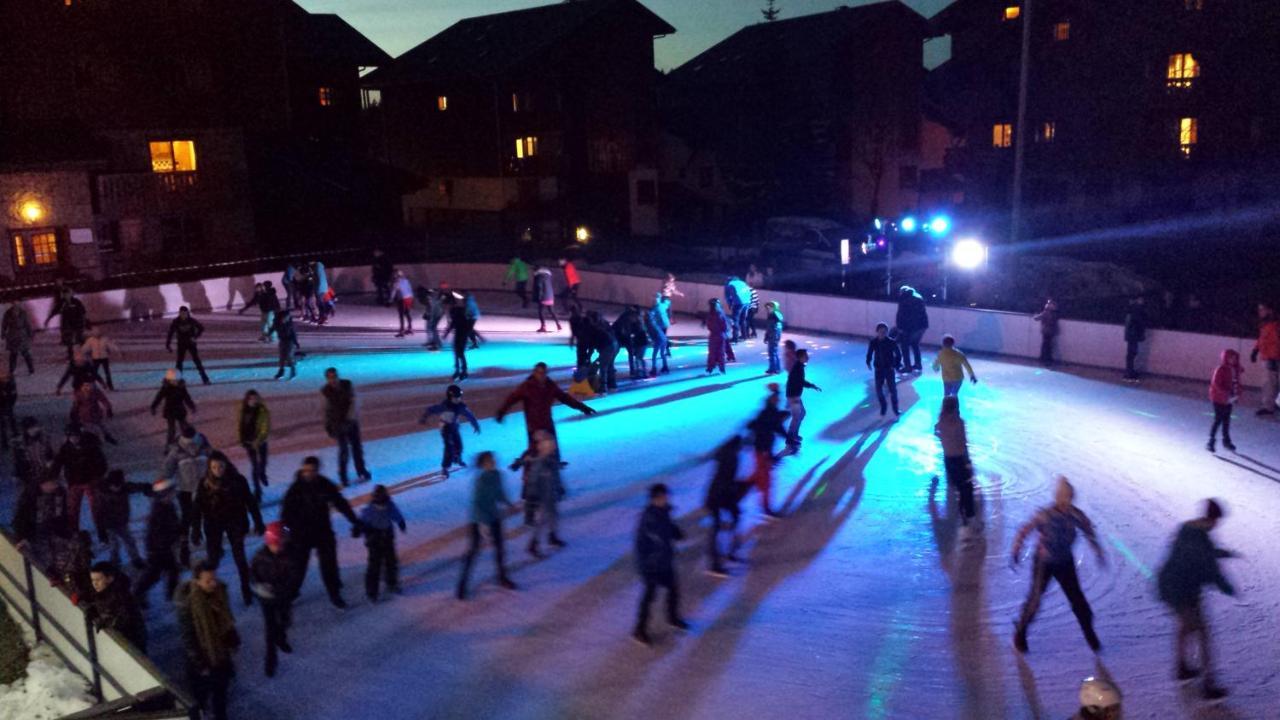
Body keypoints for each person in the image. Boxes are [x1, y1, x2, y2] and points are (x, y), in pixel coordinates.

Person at [1011, 476, 1105, 654]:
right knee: (1035, 599)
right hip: (1044, 563)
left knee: (1078, 600)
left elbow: (1088, 531)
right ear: (1058, 498)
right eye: (1064, 498)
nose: (1067, 503)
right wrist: (1016, 548)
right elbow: (1025, 529)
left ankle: (1088, 630)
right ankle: (1020, 631)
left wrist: (1097, 549)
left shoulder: (1076, 515)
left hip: (1065, 562)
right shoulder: (1045, 515)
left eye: (1069, 498)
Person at [1156, 498, 1237, 700]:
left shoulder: (1187, 528)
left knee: (1184, 626)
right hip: (1182, 590)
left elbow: (1200, 553)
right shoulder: (1201, 538)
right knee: (1203, 633)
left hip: (1171, 585)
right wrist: (1228, 588)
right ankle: (1208, 685)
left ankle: (1181, 668)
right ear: (1214, 519)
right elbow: (1211, 570)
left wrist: (1223, 553)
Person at [281, 456, 361, 608]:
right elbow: (286, 514)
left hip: (322, 531)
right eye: (306, 470)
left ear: (318, 471)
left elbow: (340, 503)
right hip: (301, 534)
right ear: (302, 470)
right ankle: (291, 592)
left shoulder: (325, 485)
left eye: (312, 471)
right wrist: (286, 533)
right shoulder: (295, 489)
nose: (309, 473)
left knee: (329, 565)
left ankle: (334, 593)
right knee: (298, 566)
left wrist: (354, 520)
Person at [191, 452, 265, 607]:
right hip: (213, 525)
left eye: (221, 466)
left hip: (235, 523)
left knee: (240, 559)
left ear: (226, 465)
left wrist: (258, 522)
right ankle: (210, 593)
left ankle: (246, 589)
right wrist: (196, 529)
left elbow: (250, 502)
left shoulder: (237, 481)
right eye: (214, 467)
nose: (218, 470)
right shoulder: (204, 484)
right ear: (209, 468)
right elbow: (197, 508)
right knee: (212, 559)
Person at [177, 561, 240, 720]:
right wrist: (199, 662)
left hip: (220, 655)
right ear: (197, 582)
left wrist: (232, 636)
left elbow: (226, 618)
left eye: (214, 579)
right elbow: (188, 636)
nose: (213, 583)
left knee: (221, 693)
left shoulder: (220, 592)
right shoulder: (188, 604)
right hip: (201, 658)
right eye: (208, 581)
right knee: (200, 696)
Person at [631, 483, 688, 647]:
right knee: (649, 597)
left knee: (673, 590)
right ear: (655, 499)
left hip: (664, 561)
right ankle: (639, 630)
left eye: (666, 496)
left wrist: (677, 533)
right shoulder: (649, 518)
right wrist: (648, 565)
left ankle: (672, 618)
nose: (666, 499)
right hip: (651, 565)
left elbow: (668, 528)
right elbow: (652, 539)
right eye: (663, 497)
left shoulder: (663, 511)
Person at [495, 362, 596, 452]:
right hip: (533, 425)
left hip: (547, 423)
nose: (541, 376)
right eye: (539, 373)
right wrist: (501, 412)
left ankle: (554, 466)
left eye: (543, 373)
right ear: (534, 373)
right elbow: (511, 399)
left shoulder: (550, 386)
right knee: (535, 450)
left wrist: (583, 407)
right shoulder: (527, 386)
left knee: (552, 448)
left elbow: (565, 398)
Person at [458, 452, 517, 599]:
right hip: (478, 520)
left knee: (500, 549)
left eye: (493, 460)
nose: (493, 462)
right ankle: (462, 585)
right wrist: (483, 524)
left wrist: (509, 504)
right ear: (483, 464)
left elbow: (499, 493)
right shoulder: (481, 480)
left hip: (494, 517)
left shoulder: (497, 474)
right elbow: (477, 503)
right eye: (490, 460)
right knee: (473, 551)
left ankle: (502, 577)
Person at [250, 521, 295, 678]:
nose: (280, 547)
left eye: (282, 544)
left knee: (285, 620)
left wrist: (285, 590)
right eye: (277, 544)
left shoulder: (288, 556)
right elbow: (253, 578)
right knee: (270, 629)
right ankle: (271, 660)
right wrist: (260, 589)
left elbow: (292, 577)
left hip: (283, 597)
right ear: (269, 542)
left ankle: (281, 637)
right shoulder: (259, 558)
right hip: (267, 600)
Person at [161, 425, 211, 567]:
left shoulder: (203, 445)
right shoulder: (177, 450)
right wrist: (163, 484)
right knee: (188, 517)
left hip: (201, 488)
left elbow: (215, 461)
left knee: (199, 515)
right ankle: (186, 547)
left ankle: (195, 538)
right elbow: (167, 469)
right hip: (186, 490)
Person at [133, 478, 183, 608]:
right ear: (164, 494)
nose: (173, 495)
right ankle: (137, 593)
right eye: (171, 492)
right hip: (157, 549)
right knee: (153, 574)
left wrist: (178, 533)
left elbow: (174, 523)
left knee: (172, 571)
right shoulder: (159, 510)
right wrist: (171, 539)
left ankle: (172, 595)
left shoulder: (168, 505)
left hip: (164, 547)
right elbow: (157, 532)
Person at [50, 424, 107, 534]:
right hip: (74, 483)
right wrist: (53, 476)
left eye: (75, 436)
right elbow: (58, 463)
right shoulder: (65, 448)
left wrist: (98, 476)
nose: (73, 439)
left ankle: (102, 533)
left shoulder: (89, 446)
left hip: (90, 481)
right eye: (71, 436)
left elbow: (101, 461)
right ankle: (74, 533)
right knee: (73, 509)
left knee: (96, 509)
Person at [355, 485, 406, 602]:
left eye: (383, 500)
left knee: (391, 563)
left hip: (387, 537)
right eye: (379, 500)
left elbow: (396, 514)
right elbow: (362, 521)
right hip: (374, 540)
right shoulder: (369, 510)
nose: (382, 505)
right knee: (374, 566)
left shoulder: (389, 505)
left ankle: (392, 583)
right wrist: (358, 529)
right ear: (375, 498)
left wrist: (401, 522)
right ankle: (372, 591)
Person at [745, 385, 790, 517]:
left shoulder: (770, 412)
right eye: (776, 398)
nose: (778, 400)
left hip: (762, 450)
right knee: (765, 479)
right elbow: (776, 427)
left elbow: (778, 428)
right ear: (772, 399)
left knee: (759, 475)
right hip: (762, 450)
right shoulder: (769, 414)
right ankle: (766, 508)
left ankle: (737, 491)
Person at [322, 367, 371, 486]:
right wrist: (328, 425)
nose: (333, 380)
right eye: (330, 378)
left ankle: (361, 471)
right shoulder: (326, 391)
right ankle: (343, 477)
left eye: (334, 377)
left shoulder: (347, 384)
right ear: (327, 379)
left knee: (357, 449)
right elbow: (326, 409)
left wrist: (350, 418)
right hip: (337, 424)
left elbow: (354, 402)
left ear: (338, 376)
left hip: (351, 422)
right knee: (344, 450)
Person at [521, 431, 566, 558]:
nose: (552, 449)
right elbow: (533, 481)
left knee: (554, 515)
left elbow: (556, 475)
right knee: (541, 520)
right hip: (542, 497)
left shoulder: (550, 461)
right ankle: (533, 544)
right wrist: (533, 496)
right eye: (550, 447)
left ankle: (552, 536)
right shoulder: (539, 463)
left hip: (550, 494)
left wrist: (559, 486)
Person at [11, 476, 71, 570]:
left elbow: (62, 514)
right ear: (43, 484)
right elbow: (20, 518)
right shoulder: (30, 495)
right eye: (52, 484)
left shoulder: (59, 492)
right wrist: (20, 537)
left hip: (53, 530)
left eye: (55, 484)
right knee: (43, 559)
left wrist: (66, 532)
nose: (54, 487)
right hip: (35, 532)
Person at [419, 385, 480, 476]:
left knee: (459, 444)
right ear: (450, 397)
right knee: (449, 447)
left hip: (455, 426)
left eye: (459, 397)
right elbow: (431, 410)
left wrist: (475, 425)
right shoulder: (444, 406)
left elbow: (469, 415)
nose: (458, 399)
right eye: (455, 397)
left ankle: (457, 458)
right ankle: (445, 467)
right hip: (445, 427)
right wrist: (424, 418)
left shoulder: (460, 406)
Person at [705, 435, 744, 577]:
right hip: (718, 497)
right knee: (716, 528)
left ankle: (729, 554)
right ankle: (715, 564)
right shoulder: (731, 458)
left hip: (718, 495)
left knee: (731, 521)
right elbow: (727, 481)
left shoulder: (724, 454)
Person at [87, 561, 147, 651]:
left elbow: (122, 620)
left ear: (110, 579)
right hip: (126, 640)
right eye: (93, 580)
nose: (95, 584)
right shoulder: (104, 592)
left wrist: (103, 621)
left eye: (98, 580)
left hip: (132, 640)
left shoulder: (120, 595)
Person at [934, 397, 975, 525]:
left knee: (957, 485)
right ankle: (967, 513)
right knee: (966, 487)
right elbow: (963, 442)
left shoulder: (941, 422)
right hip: (959, 458)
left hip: (948, 459)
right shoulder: (959, 422)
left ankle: (963, 511)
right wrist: (968, 461)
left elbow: (936, 431)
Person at [94, 470, 146, 568]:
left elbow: (136, 487)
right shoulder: (102, 494)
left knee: (130, 541)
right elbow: (98, 513)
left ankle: (136, 559)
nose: (117, 488)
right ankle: (114, 560)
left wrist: (146, 487)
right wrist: (101, 530)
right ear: (110, 484)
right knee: (114, 544)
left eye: (119, 486)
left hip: (122, 521)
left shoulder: (124, 488)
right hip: (109, 524)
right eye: (115, 486)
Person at [783, 349, 821, 454]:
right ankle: (790, 439)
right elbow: (800, 382)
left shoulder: (799, 367)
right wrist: (812, 386)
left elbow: (799, 381)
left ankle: (794, 434)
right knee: (796, 417)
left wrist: (812, 386)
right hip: (793, 396)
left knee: (802, 413)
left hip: (795, 395)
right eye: (806, 356)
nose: (808, 358)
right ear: (800, 357)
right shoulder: (797, 368)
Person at [237, 391, 271, 499]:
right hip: (248, 442)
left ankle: (262, 473)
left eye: (255, 398)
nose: (253, 401)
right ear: (247, 399)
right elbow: (240, 425)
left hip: (260, 441)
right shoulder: (243, 410)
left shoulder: (263, 411)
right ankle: (258, 490)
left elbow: (265, 427)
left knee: (263, 462)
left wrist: (259, 439)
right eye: (251, 398)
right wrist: (241, 439)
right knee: (254, 466)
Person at [151, 369, 196, 450]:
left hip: (180, 410)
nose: (176, 381)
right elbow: (159, 397)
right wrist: (153, 407)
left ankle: (186, 444)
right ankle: (169, 446)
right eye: (174, 380)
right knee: (171, 430)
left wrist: (191, 406)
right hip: (170, 411)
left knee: (184, 428)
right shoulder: (165, 388)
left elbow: (187, 397)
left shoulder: (181, 387)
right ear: (169, 380)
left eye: (177, 380)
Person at [1207, 349, 1241, 453]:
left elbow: (1236, 383)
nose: (1233, 360)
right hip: (1218, 398)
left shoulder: (1235, 369)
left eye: (1235, 358)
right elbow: (1216, 384)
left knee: (1226, 420)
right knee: (1218, 419)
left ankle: (1226, 440)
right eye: (1231, 358)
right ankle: (1211, 440)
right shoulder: (1221, 369)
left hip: (1228, 399)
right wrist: (1226, 393)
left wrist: (1237, 394)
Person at [166, 306, 210, 384]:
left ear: (187, 313)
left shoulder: (191, 321)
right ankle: (176, 380)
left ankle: (205, 378)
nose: (183, 315)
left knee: (197, 361)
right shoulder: (176, 321)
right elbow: (170, 333)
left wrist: (195, 337)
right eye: (182, 314)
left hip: (191, 344)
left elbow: (201, 328)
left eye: (185, 314)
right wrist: (168, 344)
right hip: (181, 344)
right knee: (179, 362)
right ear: (179, 313)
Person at [866, 322, 902, 416]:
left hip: (889, 369)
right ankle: (883, 405)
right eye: (881, 331)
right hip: (879, 369)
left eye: (885, 332)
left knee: (893, 390)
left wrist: (896, 365)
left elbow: (898, 354)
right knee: (878, 390)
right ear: (877, 332)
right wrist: (868, 361)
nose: (883, 333)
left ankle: (895, 409)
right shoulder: (874, 342)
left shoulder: (891, 342)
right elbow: (870, 352)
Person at [46, 287, 90, 363]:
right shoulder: (62, 303)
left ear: (71, 294)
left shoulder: (76, 302)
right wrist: (48, 320)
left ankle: (86, 353)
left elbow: (83, 312)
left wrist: (84, 323)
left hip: (77, 324)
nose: (67, 296)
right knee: (69, 342)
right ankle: (71, 356)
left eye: (68, 294)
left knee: (81, 340)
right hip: (67, 325)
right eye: (65, 294)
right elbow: (54, 311)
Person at [1251, 302, 1279, 416]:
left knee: (1272, 383)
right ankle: (1269, 406)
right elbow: (1262, 339)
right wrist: (1255, 350)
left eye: (1262, 309)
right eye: (1259, 309)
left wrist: (1274, 357)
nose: (1260, 312)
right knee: (1269, 383)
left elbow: (1277, 342)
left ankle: (1271, 406)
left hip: (1274, 358)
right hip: (1268, 357)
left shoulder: (1276, 325)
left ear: (1270, 310)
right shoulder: (1265, 324)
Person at [69, 380, 116, 445]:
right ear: (82, 386)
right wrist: (73, 412)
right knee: (92, 428)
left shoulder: (96, 392)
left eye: (90, 386)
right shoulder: (79, 394)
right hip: (85, 415)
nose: (88, 388)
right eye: (86, 386)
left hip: (95, 413)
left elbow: (104, 400)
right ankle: (96, 440)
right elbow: (76, 404)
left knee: (102, 426)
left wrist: (108, 409)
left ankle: (106, 436)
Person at [895, 285, 928, 373]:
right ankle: (918, 364)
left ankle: (907, 366)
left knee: (904, 346)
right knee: (915, 344)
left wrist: (900, 327)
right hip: (922, 326)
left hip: (909, 327)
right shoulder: (919, 297)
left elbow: (901, 314)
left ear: (902, 292)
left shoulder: (904, 298)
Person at [586, 311, 619, 393]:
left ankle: (603, 388)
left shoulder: (594, 328)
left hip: (608, 347)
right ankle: (612, 385)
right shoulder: (604, 323)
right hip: (615, 345)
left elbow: (592, 343)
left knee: (603, 367)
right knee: (609, 365)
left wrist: (588, 356)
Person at [442, 296, 473, 381]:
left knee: (460, 352)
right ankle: (458, 370)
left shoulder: (456, 311)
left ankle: (464, 371)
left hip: (462, 334)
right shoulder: (455, 310)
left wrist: (446, 333)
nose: (446, 306)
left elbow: (454, 323)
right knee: (457, 352)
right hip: (460, 333)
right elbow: (453, 323)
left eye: (446, 304)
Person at [2, 302, 35, 376]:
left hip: (22, 335)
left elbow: (27, 324)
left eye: (17, 303)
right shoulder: (8, 313)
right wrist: (3, 333)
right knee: (13, 354)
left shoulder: (23, 313)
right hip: (12, 335)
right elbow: (4, 324)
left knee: (25, 353)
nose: (15, 304)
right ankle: (11, 370)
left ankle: (31, 370)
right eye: (14, 303)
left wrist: (30, 334)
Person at [1123, 297, 1147, 381]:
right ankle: (1129, 372)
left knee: (1131, 353)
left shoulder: (1131, 310)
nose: (1142, 301)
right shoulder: (1136, 310)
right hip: (1133, 335)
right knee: (1132, 353)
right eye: (1141, 300)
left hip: (1131, 335)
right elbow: (1138, 322)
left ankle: (1129, 371)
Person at [645, 298, 670, 377]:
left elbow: (652, 333)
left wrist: (653, 340)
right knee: (662, 353)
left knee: (654, 354)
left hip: (659, 338)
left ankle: (654, 369)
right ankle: (665, 367)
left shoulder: (649, 324)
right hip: (663, 338)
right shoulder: (654, 322)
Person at [704, 299, 730, 375]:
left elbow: (709, 326)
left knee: (712, 352)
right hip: (721, 335)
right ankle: (722, 368)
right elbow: (725, 326)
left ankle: (710, 368)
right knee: (721, 352)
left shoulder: (710, 315)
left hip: (713, 335)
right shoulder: (721, 314)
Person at [532, 264, 561, 332]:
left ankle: (543, 326)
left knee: (541, 311)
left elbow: (539, 286)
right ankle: (558, 324)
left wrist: (539, 296)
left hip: (543, 296)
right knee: (551, 310)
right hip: (550, 295)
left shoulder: (539, 276)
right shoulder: (548, 276)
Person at [272, 311, 300, 381]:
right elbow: (272, 328)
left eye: (288, 317)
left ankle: (293, 370)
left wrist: (296, 343)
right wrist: (268, 333)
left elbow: (294, 334)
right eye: (285, 317)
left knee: (289, 356)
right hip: (282, 341)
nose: (287, 318)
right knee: (282, 357)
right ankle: (281, 371)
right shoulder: (277, 324)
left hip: (290, 342)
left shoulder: (290, 325)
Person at [1034, 298, 1060, 367]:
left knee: (1045, 345)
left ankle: (1044, 358)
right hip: (1051, 331)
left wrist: (1035, 315)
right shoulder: (1054, 313)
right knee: (1048, 345)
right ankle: (1048, 358)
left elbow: (1036, 318)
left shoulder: (1046, 313)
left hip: (1046, 331)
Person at [724, 276, 751, 343]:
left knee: (735, 320)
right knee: (743, 319)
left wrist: (730, 304)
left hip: (738, 303)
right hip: (747, 302)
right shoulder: (743, 283)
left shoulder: (729, 284)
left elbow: (728, 296)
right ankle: (744, 336)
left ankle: (735, 338)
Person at [763, 301, 784, 375]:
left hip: (773, 337)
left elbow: (771, 328)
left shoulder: (773, 316)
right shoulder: (773, 315)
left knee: (772, 352)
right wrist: (766, 336)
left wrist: (768, 336)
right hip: (773, 336)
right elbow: (769, 328)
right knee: (773, 352)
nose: (767, 309)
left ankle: (774, 369)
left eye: (769, 307)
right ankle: (775, 368)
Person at [392, 270, 415, 337]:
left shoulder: (397, 282)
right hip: (409, 298)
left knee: (401, 315)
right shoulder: (406, 281)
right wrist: (412, 298)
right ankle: (410, 328)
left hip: (402, 299)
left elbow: (394, 291)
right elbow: (410, 289)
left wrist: (390, 300)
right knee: (407, 313)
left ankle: (401, 330)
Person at [0, 367, 15, 453]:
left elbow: (13, 395)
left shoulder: (9, 383)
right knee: (4, 423)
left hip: (6, 404)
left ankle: (9, 439)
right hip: (3, 405)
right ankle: (6, 441)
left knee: (8, 421)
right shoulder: (8, 382)